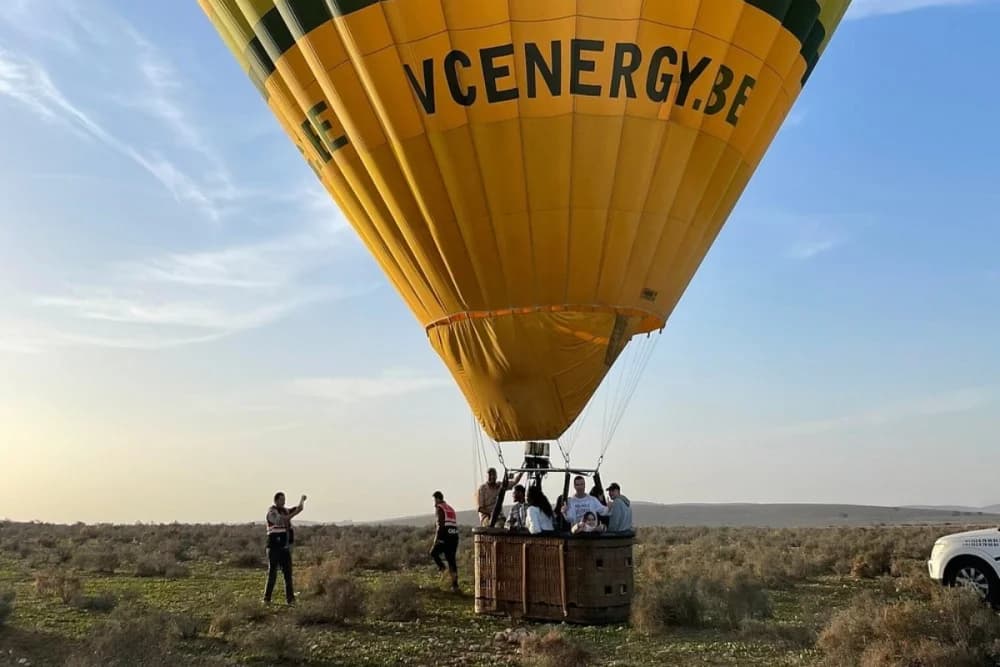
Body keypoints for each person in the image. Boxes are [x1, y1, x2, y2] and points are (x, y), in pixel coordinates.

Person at [264, 491, 305, 605]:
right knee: (272, 573)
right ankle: (267, 599)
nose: (284, 502)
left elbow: (299, 508)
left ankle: (290, 599)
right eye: (281, 500)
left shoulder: (285, 511)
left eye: (284, 499)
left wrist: (302, 500)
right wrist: (294, 513)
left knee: (288, 574)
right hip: (274, 548)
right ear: (276, 501)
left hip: (285, 548)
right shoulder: (271, 512)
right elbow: (281, 520)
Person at [430, 491, 460, 592]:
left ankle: (443, 570)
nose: (434, 503)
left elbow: (440, 525)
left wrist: (436, 540)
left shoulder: (440, 508)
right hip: (454, 535)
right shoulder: (450, 508)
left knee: (433, 553)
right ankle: (455, 585)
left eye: (434, 500)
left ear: (438, 499)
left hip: (445, 536)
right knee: (451, 560)